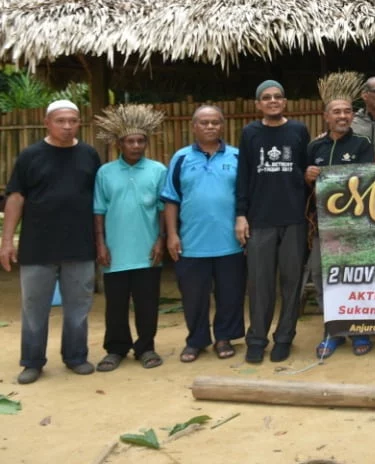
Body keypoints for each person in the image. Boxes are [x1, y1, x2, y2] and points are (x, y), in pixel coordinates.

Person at [2, 99, 100, 384]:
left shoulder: (89, 155)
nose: (67, 126)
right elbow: (16, 197)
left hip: (80, 246)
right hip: (37, 246)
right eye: (61, 121)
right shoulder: (30, 156)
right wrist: (7, 241)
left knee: (79, 307)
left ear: (79, 123)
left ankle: (76, 356)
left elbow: (99, 203)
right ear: (48, 123)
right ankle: (32, 361)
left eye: (73, 120)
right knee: (34, 307)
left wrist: (100, 241)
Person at [162, 105, 245, 363]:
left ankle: (224, 338)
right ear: (193, 126)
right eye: (204, 122)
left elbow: (245, 197)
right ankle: (196, 340)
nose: (210, 127)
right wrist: (172, 235)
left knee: (230, 293)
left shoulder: (237, 157)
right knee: (193, 296)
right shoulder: (181, 158)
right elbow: (170, 199)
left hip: (230, 242)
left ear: (223, 126)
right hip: (192, 242)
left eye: (215, 122)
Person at [235, 80, 311, 364]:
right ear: (258, 104)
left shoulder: (298, 131)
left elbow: (306, 171)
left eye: (278, 96)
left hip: (293, 219)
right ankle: (256, 339)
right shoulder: (250, 133)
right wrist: (241, 214)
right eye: (266, 98)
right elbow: (243, 176)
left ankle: (284, 337)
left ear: (285, 101)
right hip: (260, 219)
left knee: (291, 282)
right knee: (259, 283)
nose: (273, 101)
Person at [92, 105, 169, 372]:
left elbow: (163, 209)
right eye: (129, 141)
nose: (136, 145)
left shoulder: (158, 171)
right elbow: (99, 210)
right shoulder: (105, 173)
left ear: (146, 142)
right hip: (115, 251)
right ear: (119, 143)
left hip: (147, 250)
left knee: (147, 302)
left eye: (140, 140)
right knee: (115, 304)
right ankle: (116, 349)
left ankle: (146, 347)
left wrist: (161, 240)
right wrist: (100, 244)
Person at [305, 72, 375, 359]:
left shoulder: (362, 145)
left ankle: (359, 330)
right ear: (326, 116)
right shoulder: (314, 147)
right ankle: (333, 332)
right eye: (337, 112)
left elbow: (369, 182)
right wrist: (307, 176)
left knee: (354, 278)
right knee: (323, 278)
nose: (343, 116)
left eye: (347, 111)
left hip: (353, 227)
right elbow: (306, 188)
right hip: (322, 228)